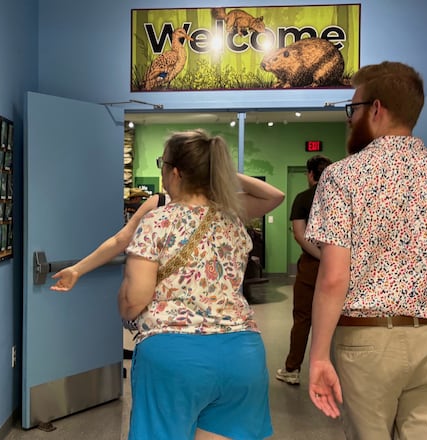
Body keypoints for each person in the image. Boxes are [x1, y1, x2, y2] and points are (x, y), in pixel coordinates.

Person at [306, 61, 427, 439]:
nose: (349, 119)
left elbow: (333, 278)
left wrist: (319, 355)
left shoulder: (343, 176)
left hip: (368, 342)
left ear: (376, 109)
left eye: (352, 109)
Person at [118, 129, 279, 440]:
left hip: (174, 356)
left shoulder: (158, 221)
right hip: (241, 353)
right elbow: (272, 196)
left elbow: (135, 299)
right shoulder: (232, 217)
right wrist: (216, 170)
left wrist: (122, 304)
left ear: (175, 172)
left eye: (162, 164)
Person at [49, 168, 284, 293]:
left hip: (211, 317)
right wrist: (78, 270)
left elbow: (274, 197)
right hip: (171, 314)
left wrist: (220, 172)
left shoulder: (222, 203)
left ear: (176, 173)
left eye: (165, 165)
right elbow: (120, 240)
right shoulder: (158, 203)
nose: (162, 173)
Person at [275, 154, 332, 385]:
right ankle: (336, 373)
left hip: (311, 266)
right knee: (337, 319)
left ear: (310, 175)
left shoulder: (303, 198)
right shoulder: (341, 198)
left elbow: (299, 234)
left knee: (302, 318)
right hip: (340, 266)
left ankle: (292, 369)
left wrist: (320, 256)